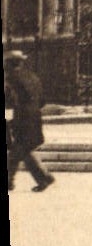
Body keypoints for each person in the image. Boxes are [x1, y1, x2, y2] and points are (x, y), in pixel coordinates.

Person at [5, 50, 55, 193]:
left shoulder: (12, 78)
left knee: (18, 151)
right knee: (21, 150)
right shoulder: (32, 77)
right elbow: (42, 101)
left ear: (10, 64)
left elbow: (12, 99)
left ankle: (42, 179)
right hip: (35, 117)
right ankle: (45, 176)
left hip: (23, 118)